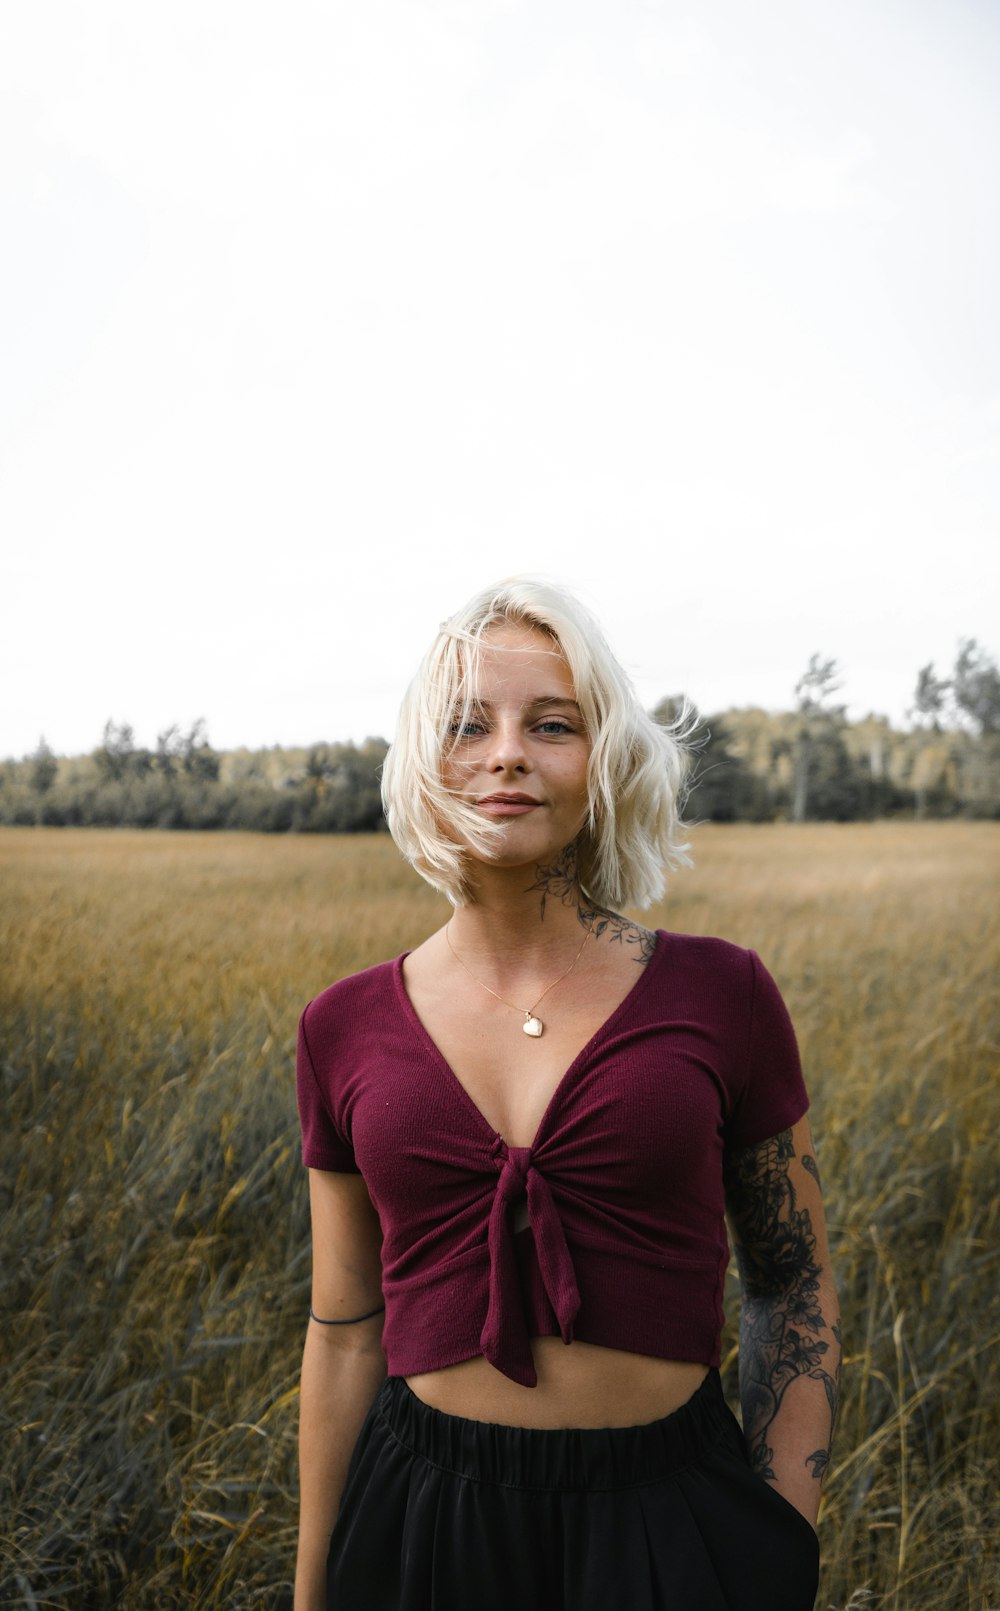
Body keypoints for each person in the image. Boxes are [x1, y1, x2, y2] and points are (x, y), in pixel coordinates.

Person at [293, 578, 841, 1611]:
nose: (506, 752)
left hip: (669, 1515)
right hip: (420, 1522)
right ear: (423, 760)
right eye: (467, 724)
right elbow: (346, 1326)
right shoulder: (341, 1025)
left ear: (605, 762)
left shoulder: (725, 993)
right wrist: (313, 1588)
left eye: (552, 723)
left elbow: (790, 1286)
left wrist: (779, 1533)